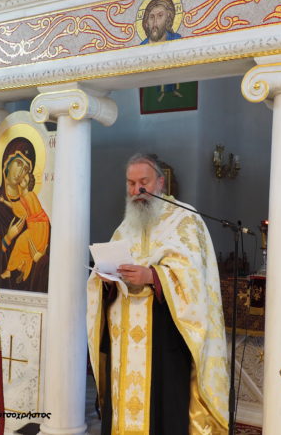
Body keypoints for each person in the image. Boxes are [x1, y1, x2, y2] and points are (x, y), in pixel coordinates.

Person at [87, 154, 228, 434]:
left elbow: (195, 279)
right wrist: (106, 281)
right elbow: (111, 272)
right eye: (130, 183)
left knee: (165, 409)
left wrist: (152, 276)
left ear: (160, 183)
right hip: (123, 337)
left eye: (144, 182)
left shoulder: (185, 220)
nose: (136, 189)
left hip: (165, 337)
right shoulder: (125, 226)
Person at [0, 137, 50, 292]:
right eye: (18, 163)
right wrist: (8, 238)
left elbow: (49, 252)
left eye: (26, 169)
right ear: (6, 162)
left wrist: (40, 259)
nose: (20, 172)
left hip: (30, 292)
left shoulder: (32, 205)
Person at [0, 170, 50, 283]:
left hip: (38, 227)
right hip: (37, 226)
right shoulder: (26, 196)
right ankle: (20, 267)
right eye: (22, 178)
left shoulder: (29, 196)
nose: (21, 180)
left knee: (20, 243)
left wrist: (4, 202)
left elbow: (20, 210)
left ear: (28, 184)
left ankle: (10, 269)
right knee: (24, 247)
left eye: (24, 180)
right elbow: (18, 207)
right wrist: (4, 201)